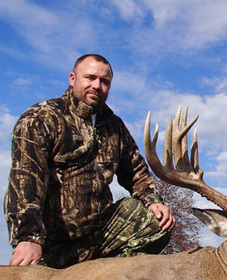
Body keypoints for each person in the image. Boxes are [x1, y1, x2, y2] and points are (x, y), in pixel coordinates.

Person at [5, 54, 175, 269]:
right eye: (90, 78)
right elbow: (25, 180)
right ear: (73, 78)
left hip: (98, 236)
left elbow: (135, 171)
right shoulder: (40, 118)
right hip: (50, 245)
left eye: (104, 82)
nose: (97, 85)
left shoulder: (114, 126)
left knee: (156, 222)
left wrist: (153, 201)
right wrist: (28, 238)